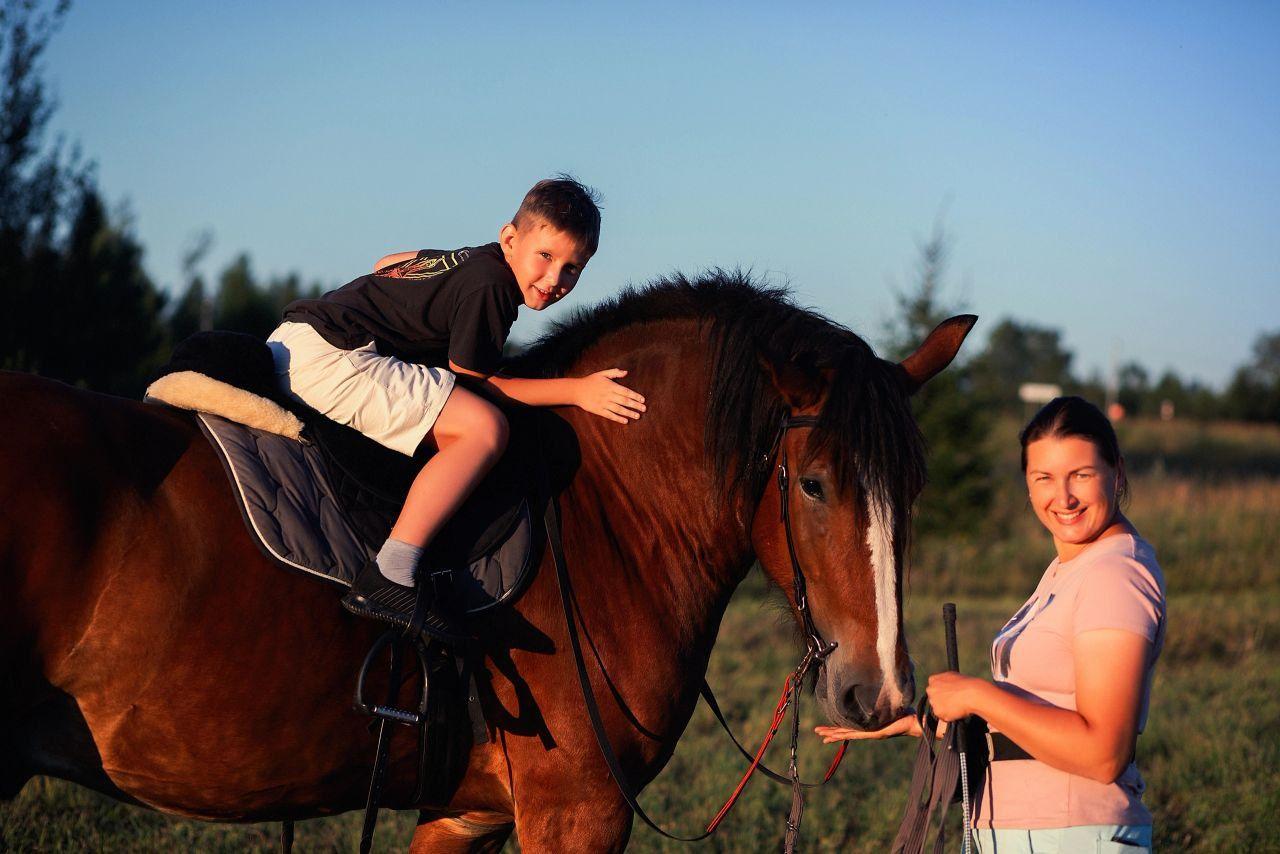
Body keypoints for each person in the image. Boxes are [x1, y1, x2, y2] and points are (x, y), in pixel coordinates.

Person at [266, 176, 646, 628]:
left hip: (295, 339)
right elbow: (478, 382)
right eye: (545, 256)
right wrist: (578, 390)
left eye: (572, 268)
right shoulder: (493, 286)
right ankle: (391, 574)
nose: (554, 279)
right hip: (332, 357)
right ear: (511, 238)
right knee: (484, 429)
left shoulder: (470, 260)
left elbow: (390, 262)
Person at [817, 396, 1166, 853]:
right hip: (1023, 833)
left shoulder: (1114, 575)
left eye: (1081, 475)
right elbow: (1035, 726)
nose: (1063, 498)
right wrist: (919, 724)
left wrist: (979, 694)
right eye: (1044, 478)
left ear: (1116, 473)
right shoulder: (1069, 569)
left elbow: (1102, 754)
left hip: (1071, 835)